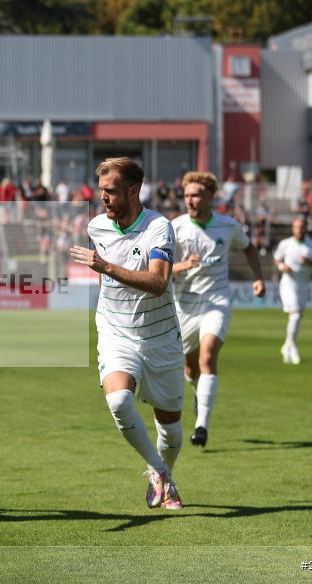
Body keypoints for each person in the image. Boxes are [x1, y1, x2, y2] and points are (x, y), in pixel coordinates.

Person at [69, 157, 184, 510]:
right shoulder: (96, 227)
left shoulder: (158, 228)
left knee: (171, 431)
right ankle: (158, 470)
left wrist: (105, 267)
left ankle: (165, 474)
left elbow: (159, 282)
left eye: (111, 191)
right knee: (119, 401)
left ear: (133, 191)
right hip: (116, 332)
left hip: (161, 337)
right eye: (101, 190)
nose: (103, 197)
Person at [171, 172, 265, 448]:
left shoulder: (228, 225)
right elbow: (161, 269)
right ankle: (199, 393)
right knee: (190, 368)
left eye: (196, 194)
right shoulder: (174, 227)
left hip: (217, 300)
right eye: (187, 195)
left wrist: (258, 277)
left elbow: (249, 250)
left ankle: (202, 426)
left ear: (211, 197)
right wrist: (182, 266)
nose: (190, 200)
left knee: (208, 356)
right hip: (185, 304)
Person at [273, 218, 312, 364]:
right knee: (295, 315)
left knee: (298, 317)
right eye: (297, 227)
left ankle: (287, 345)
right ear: (293, 229)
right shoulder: (286, 244)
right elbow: (277, 259)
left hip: (304, 285)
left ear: (306, 229)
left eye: (302, 227)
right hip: (289, 283)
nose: (299, 230)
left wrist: (309, 262)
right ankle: (292, 346)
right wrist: (282, 267)